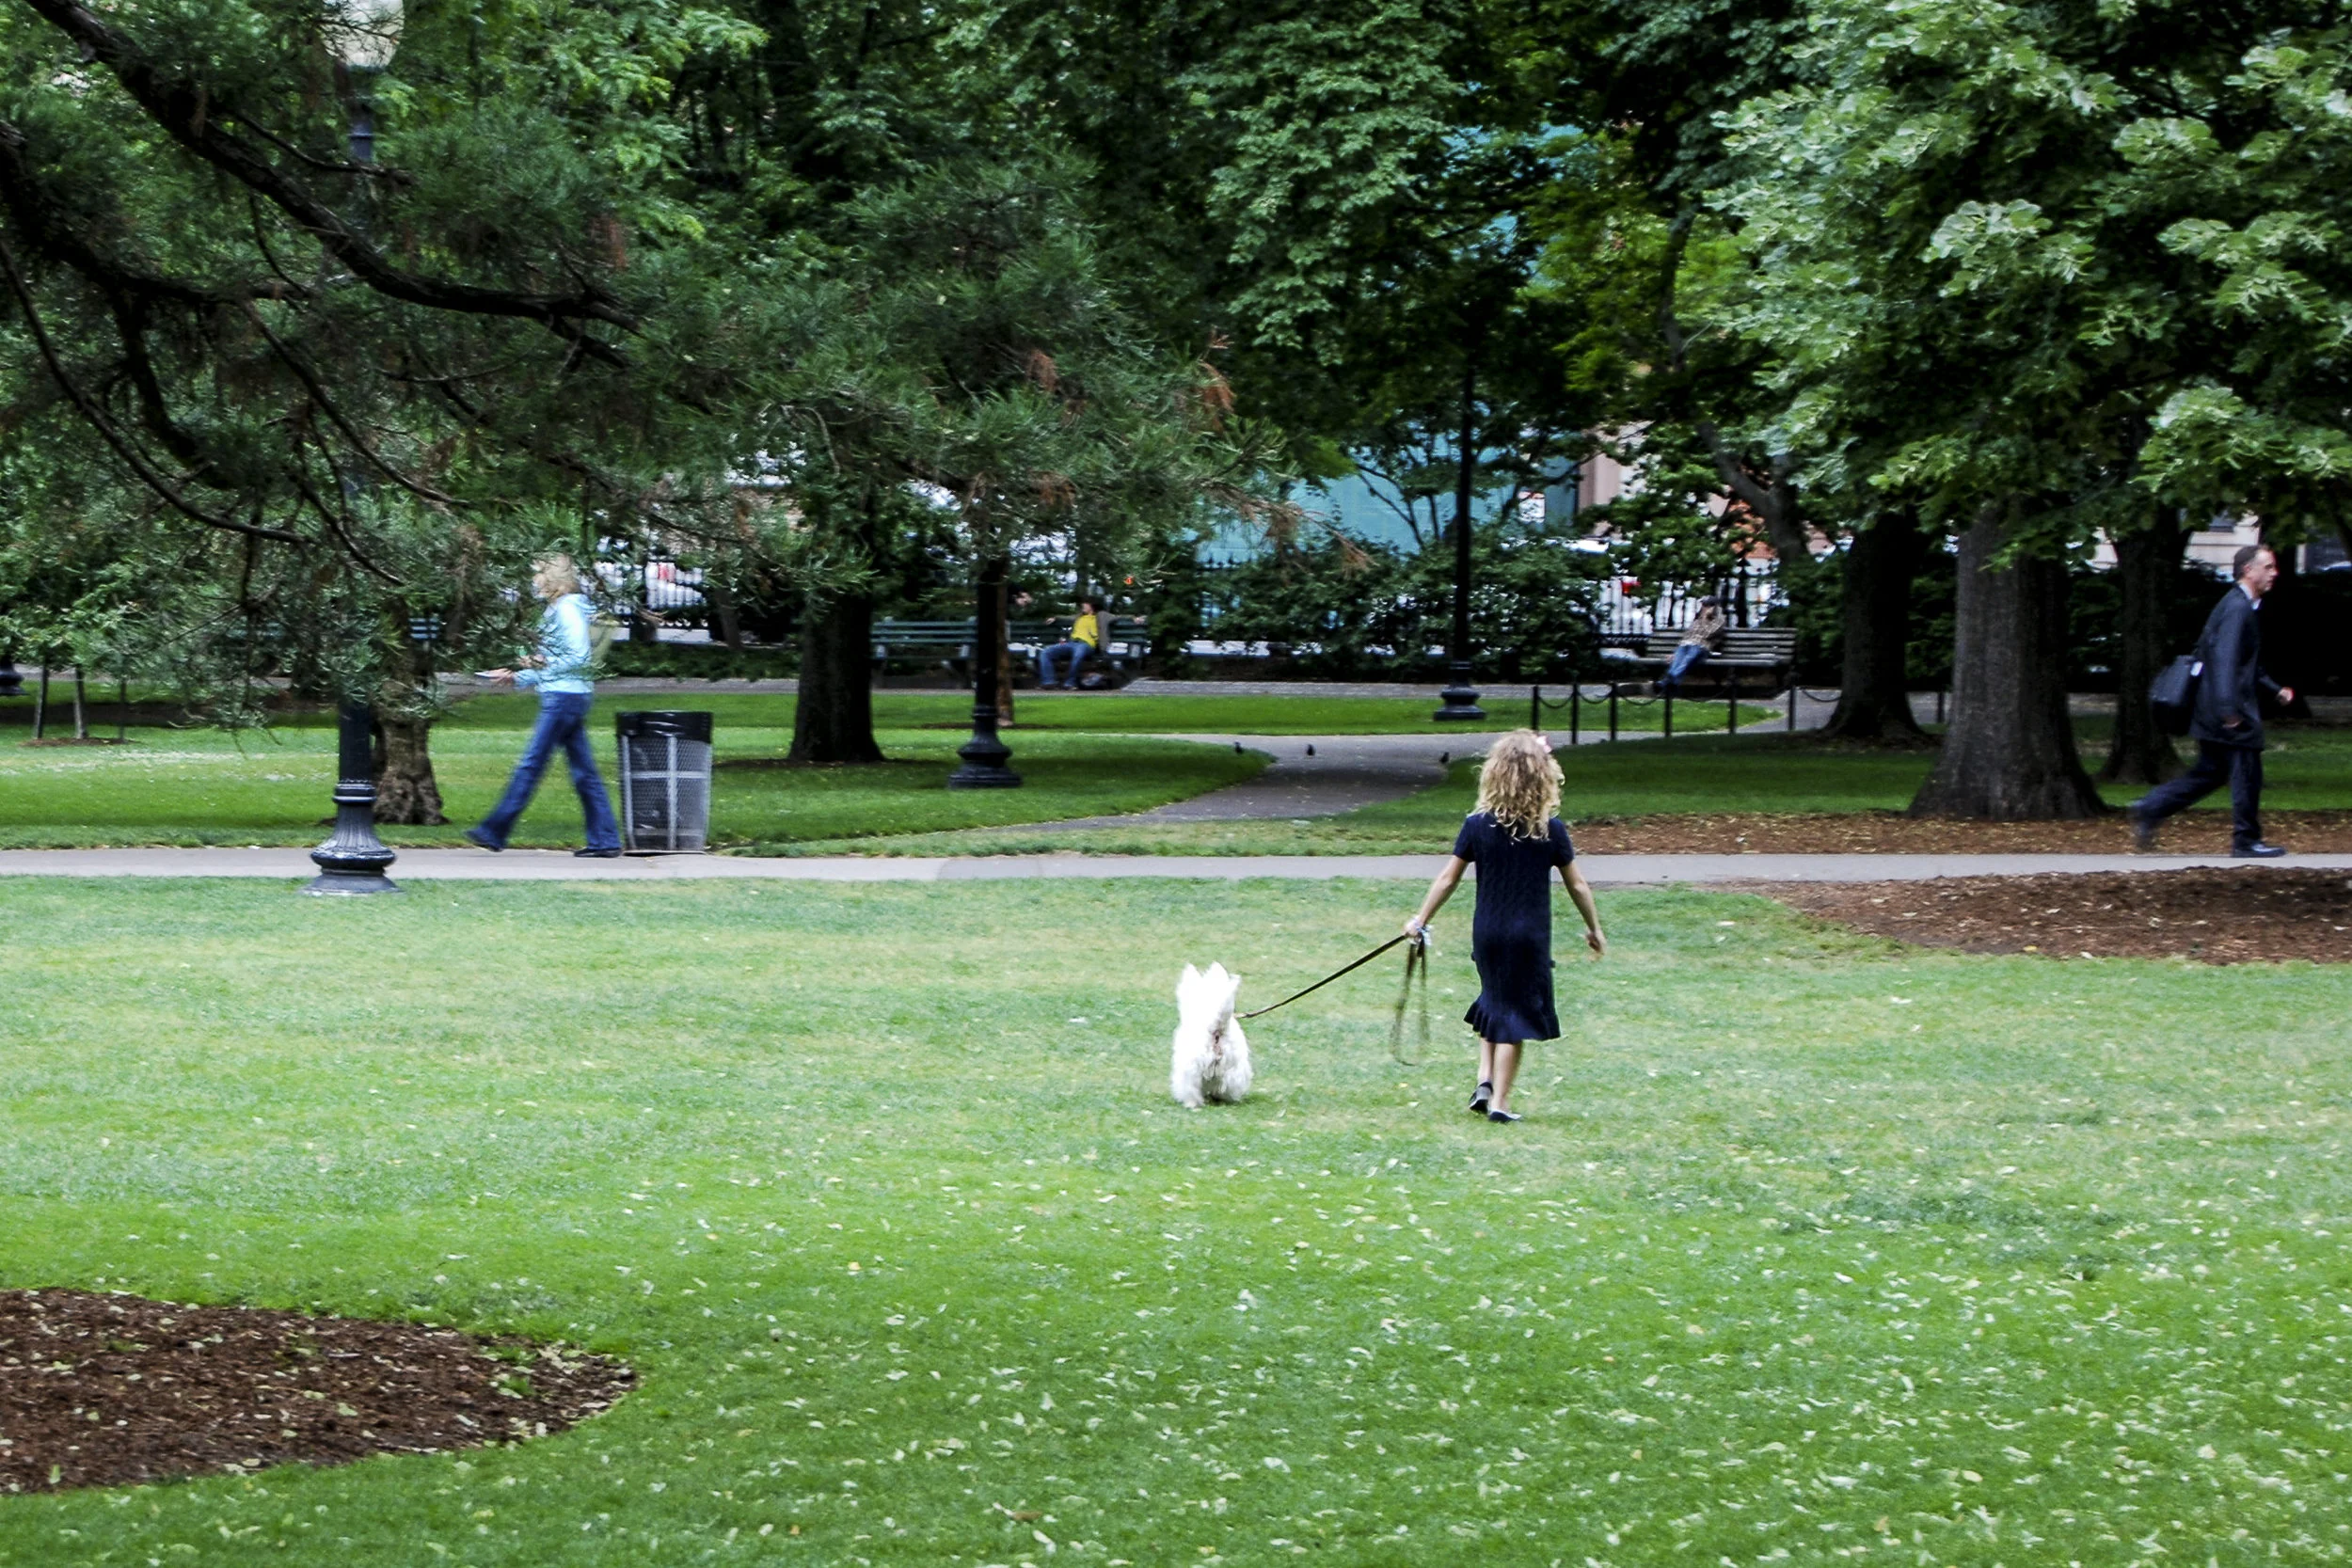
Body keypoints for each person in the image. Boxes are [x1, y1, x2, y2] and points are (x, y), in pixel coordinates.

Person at [1402, 730, 1606, 1124]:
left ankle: (1484, 1081)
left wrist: (1420, 920)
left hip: (1488, 933)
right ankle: (1501, 1103)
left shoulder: (1477, 826)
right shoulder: (1550, 830)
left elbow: (1447, 879)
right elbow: (1577, 884)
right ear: (1542, 777)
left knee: (1494, 1000)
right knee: (1515, 1018)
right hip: (1528, 936)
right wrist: (1594, 928)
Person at [2128, 543, 2295, 858]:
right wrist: (2228, 710)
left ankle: (2150, 807)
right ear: (2249, 570)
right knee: (2247, 772)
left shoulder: (2238, 606)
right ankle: (2245, 841)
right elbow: (2225, 660)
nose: (2275, 573)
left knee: (2211, 772)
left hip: (2213, 707)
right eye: (2269, 567)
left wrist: (2275, 689)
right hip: (2228, 710)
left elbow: (2245, 663)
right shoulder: (2237, 608)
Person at [465, 554, 624, 857]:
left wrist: (530, 667)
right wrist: (520, 673)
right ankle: (605, 840)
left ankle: (494, 830)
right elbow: (561, 659)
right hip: (570, 695)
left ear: (552, 578)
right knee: (584, 773)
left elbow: (576, 658)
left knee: (531, 764)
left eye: (537, 574)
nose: (533, 581)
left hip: (563, 698)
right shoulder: (562, 608)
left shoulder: (566, 609)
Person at [1659, 596, 1726, 690]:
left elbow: (1708, 634)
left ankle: (1669, 678)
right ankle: (1672, 683)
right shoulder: (1697, 620)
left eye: (1707, 606)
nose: (1704, 608)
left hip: (1702, 647)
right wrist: (1673, 654)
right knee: (1678, 658)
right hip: (1686, 644)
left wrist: (1705, 619)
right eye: (1703, 605)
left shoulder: (1719, 620)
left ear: (1714, 608)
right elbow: (1687, 636)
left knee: (1689, 657)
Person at [1037, 598, 1102, 689]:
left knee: (1078, 653)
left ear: (1092, 606)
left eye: (1086, 603)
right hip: (1072, 643)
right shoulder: (1079, 616)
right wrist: (1055, 617)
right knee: (1046, 652)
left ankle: (1070, 683)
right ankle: (1049, 682)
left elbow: (1117, 617)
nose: (1083, 605)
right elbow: (1065, 617)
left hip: (1087, 645)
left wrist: (1129, 617)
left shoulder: (1101, 617)